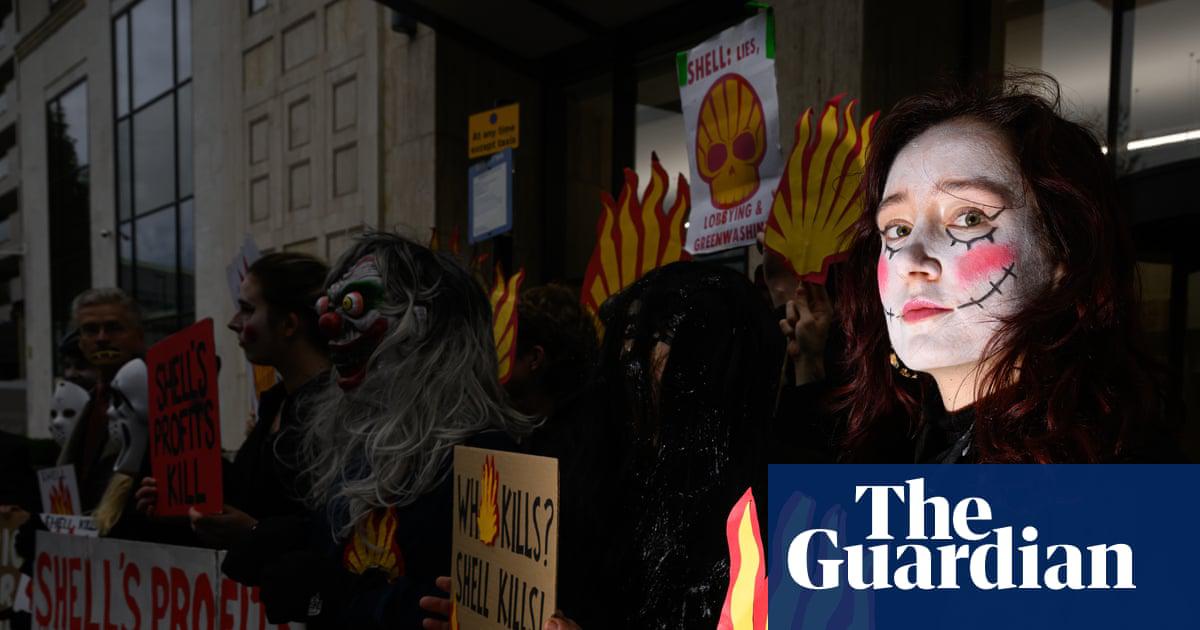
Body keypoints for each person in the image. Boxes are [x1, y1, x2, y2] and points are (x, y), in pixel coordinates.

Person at [828, 74, 1174, 463]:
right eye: (898, 229)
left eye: (969, 218)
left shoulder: (1118, 472)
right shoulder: (889, 448)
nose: (909, 259)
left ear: (1063, 255)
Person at [222, 233, 535, 629]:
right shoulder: (361, 447)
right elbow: (345, 546)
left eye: (354, 305)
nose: (330, 325)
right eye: (330, 305)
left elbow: (487, 614)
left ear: (428, 326)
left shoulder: (488, 461)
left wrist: (332, 596)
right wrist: (281, 538)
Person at [135, 252, 332, 548]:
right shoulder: (275, 404)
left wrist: (255, 532)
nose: (233, 322)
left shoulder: (343, 409)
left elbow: (338, 530)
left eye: (247, 309)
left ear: (289, 324)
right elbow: (248, 497)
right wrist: (185, 500)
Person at [56, 288, 145, 511]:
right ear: (80, 342)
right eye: (90, 330)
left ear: (139, 336)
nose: (102, 338)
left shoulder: (162, 398)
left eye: (114, 328)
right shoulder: (86, 401)